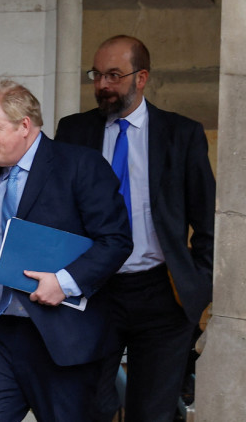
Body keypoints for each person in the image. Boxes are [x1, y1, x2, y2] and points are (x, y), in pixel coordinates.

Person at [0, 78, 133, 421]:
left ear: (25, 126)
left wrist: (65, 282)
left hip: (62, 340)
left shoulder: (79, 165)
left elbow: (116, 241)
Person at [55, 35, 216, 422]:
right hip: (95, 293)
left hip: (161, 296)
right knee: (86, 407)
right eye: (97, 75)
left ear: (141, 78)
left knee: (152, 413)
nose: (102, 85)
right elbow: (56, 212)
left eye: (114, 75)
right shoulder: (73, 133)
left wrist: (199, 282)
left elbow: (208, 217)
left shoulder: (182, 134)